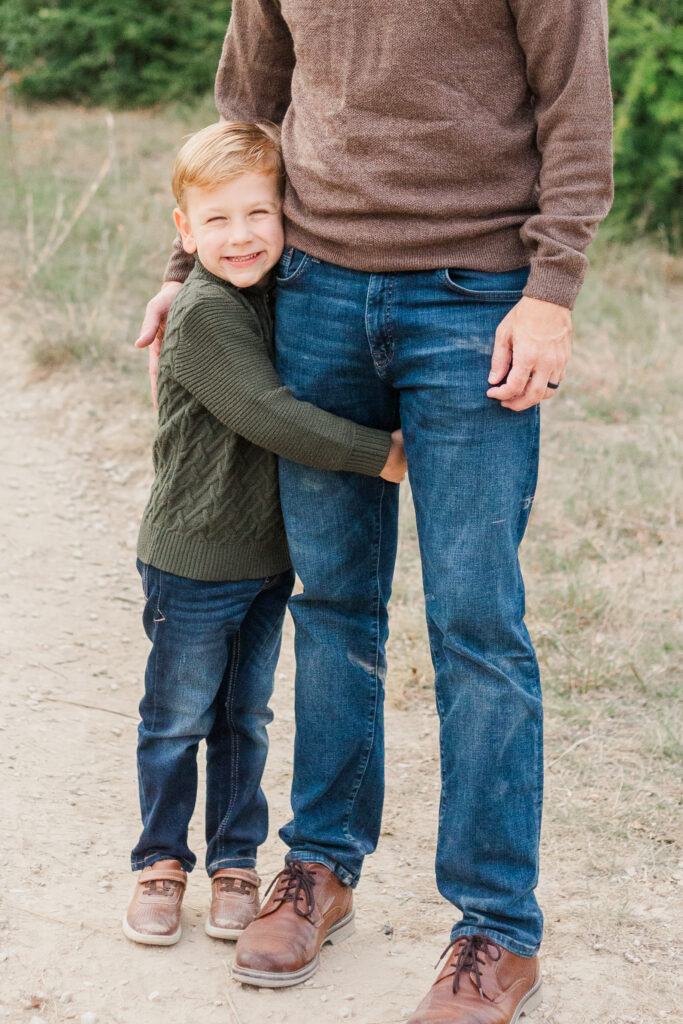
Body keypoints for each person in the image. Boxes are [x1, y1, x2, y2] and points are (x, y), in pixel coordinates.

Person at [137, 1, 613, 1019]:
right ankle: (318, 865)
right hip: (312, 292)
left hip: (473, 298)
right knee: (333, 602)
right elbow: (248, 104)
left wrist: (552, 288)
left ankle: (494, 927)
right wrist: (189, 272)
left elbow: (575, 107)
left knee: (475, 621)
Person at [124, 120, 407, 948]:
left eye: (259, 213)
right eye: (216, 220)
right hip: (193, 558)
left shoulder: (277, 293)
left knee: (245, 718)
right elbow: (265, 414)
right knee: (177, 718)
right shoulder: (206, 310)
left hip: (265, 560)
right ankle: (159, 862)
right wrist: (381, 456)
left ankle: (234, 861)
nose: (241, 236)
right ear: (183, 231)